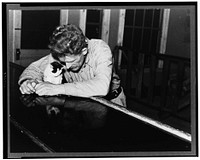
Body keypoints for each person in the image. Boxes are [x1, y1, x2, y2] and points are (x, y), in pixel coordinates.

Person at [18, 24, 126, 107]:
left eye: (71, 61)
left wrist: (56, 88)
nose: (67, 67)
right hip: (81, 102)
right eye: (64, 62)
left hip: (111, 102)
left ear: (84, 51)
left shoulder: (100, 49)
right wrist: (27, 82)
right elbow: (34, 68)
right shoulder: (62, 53)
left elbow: (101, 87)